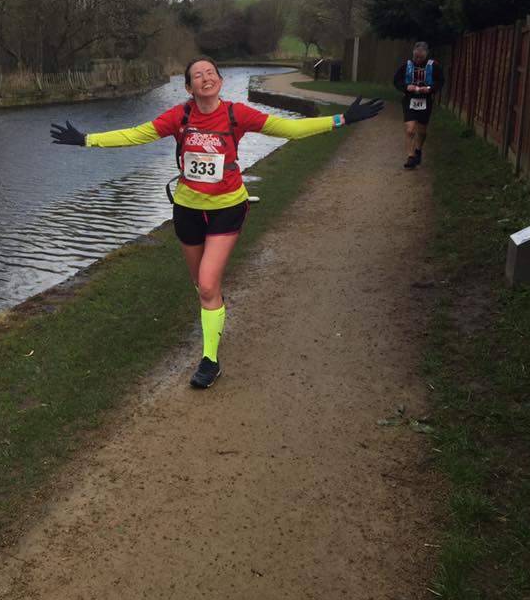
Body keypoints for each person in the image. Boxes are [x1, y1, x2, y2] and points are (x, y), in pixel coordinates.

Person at [51, 56, 383, 389]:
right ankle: (214, 311)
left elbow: (290, 129)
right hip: (187, 210)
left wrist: (341, 119)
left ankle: (209, 360)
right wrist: (87, 139)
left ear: (220, 81)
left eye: (211, 72)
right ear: (188, 87)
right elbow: (137, 135)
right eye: (198, 75)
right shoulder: (179, 117)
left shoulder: (237, 114)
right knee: (202, 286)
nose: (206, 77)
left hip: (227, 207)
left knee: (208, 284)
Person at [393, 41, 445, 169]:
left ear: (426, 55)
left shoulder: (434, 66)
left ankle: (418, 150)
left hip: (425, 101)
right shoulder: (407, 65)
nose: (418, 60)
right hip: (409, 99)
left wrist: (430, 89)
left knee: (422, 131)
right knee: (410, 129)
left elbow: (440, 81)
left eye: (421, 57)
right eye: (416, 57)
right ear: (413, 54)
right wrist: (406, 87)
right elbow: (396, 81)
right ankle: (410, 157)